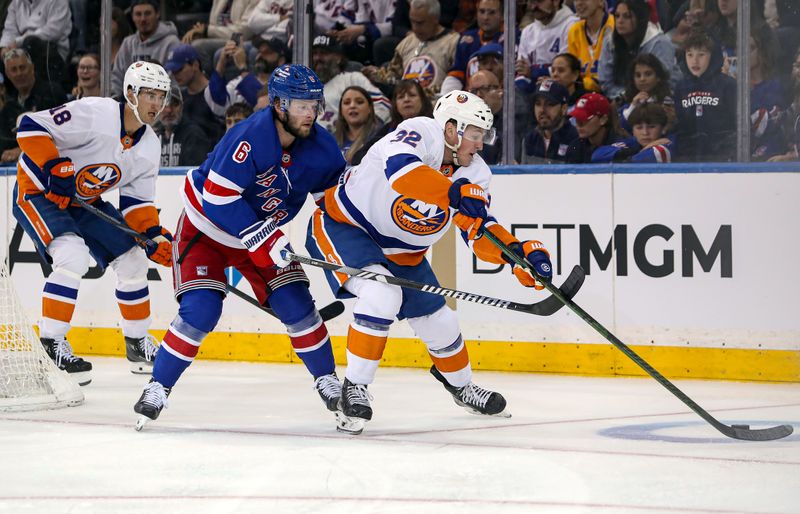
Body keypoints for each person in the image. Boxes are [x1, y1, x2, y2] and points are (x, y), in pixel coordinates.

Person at [305, 90, 554, 434]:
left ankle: (462, 388)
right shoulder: (422, 131)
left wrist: (516, 254)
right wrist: (453, 192)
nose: (480, 144)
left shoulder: (476, 173)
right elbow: (401, 172)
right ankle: (354, 390)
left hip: (404, 252)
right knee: (381, 296)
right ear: (451, 129)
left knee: (441, 321)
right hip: (348, 227)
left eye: (483, 136)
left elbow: (477, 229)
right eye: (475, 135)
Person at [132, 64, 347, 428]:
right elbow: (218, 198)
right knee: (201, 312)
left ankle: (327, 380)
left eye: (314, 105)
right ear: (278, 105)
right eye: (300, 105)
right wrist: (266, 236)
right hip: (207, 230)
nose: (310, 113)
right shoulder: (249, 137)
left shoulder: (323, 149)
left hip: (259, 234)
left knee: (297, 306)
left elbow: (336, 202)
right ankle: (158, 387)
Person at [11, 61, 174, 386]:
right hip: (38, 190)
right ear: (130, 93)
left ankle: (137, 344)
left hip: (83, 200)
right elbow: (28, 125)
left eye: (161, 96)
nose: (156, 104)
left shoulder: (150, 146)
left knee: (132, 260)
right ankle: (52, 344)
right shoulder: (95, 113)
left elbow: (137, 204)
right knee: (71, 254)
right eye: (149, 94)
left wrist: (152, 234)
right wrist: (53, 165)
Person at [362, 0, 459, 100]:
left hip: (435, 104)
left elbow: (454, 82)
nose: (415, 28)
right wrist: (376, 75)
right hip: (405, 102)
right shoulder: (407, 43)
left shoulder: (454, 43)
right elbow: (394, 76)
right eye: (412, 21)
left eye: (420, 23)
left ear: (435, 19)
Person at [598, 0, 680, 102]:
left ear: (640, 18)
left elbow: (665, 82)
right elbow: (606, 82)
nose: (620, 21)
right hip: (623, 99)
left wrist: (641, 100)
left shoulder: (659, 43)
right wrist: (626, 97)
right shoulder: (610, 41)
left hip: (660, 101)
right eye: (617, 16)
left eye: (627, 16)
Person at [674, 31, 736, 162]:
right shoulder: (681, 87)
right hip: (688, 158)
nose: (694, 61)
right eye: (689, 54)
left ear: (713, 56)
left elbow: (736, 124)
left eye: (701, 55)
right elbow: (681, 127)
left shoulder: (728, 85)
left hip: (721, 157)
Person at [312, 35, 391, 134]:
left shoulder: (353, 79)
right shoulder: (304, 89)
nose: (318, 58)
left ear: (338, 58)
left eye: (324, 53)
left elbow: (383, 105)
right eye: (314, 53)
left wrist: (364, 136)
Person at [0, 48, 67, 164]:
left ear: (32, 68)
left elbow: (62, 133)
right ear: (7, 74)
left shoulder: (52, 93)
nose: (19, 73)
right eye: (14, 70)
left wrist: (22, 150)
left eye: (22, 67)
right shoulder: (9, 106)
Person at [351, 79, 434, 166]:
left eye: (412, 95)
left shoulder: (434, 125)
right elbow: (359, 156)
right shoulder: (389, 128)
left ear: (423, 100)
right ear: (395, 104)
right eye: (401, 97)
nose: (406, 100)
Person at [110, 0, 180, 98]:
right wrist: (114, 100)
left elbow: (174, 82)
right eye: (138, 14)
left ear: (157, 14)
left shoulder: (171, 43)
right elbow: (117, 77)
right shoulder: (128, 43)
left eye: (147, 13)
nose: (143, 19)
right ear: (132, 17)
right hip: (131, 104)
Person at [0, 0, 72, 87]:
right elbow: (10, 30)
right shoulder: (15, 3)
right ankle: (10, 96)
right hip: (20, 47)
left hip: (52, 50)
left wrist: (18, 42)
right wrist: (4, 47)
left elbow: (53, 32)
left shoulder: (58, 1)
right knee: (5, 55)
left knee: (31, 42)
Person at [441, 0, 505, 95]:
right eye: (482, 11)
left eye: (492, 12)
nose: (485, 17)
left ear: (502, 15)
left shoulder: (511, 38)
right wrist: (446, 98)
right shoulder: (467, 39)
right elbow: (456, 74)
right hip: (469, 99)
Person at [514, 0, 579, 94]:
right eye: (532, 2)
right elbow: (522, 71)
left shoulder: (572, 25)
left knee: (545, 89)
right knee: (514, 90)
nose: (534, 7)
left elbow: (566, 68)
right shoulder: (528, 31)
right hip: (535, 86)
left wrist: (532, 72)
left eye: (540, 1)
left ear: (556, 1)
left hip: (560, 85)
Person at [164, 44, 226, 142]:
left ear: (195, 65)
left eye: (179, 69)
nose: (175, 75)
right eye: (173, 71)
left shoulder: (214, 94)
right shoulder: (179, 98)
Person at [592, 103, 675, 162]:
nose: (645, 133)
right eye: (639, 128)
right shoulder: (633, 143)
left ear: (663, 128)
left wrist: (628, 157)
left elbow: (649, 156)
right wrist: (635, 151)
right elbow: (597, 155)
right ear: (633, 131)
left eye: (652, 127)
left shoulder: (669, 142)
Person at [521, 79, 579, 163]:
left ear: (564, 108)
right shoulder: (529, 139)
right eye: (538, 104)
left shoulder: (575, 139)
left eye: (550, 104)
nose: (542, 110)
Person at [618, 53, 675, 133]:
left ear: (658, 77)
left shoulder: (669, 103)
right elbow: (621, 130)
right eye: (638, 75)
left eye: (648, 74)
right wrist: (632, 108)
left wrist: (671, 122)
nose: (642, 79)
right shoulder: (627, 103)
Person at [157, 86, 214, 166]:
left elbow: (194, 171)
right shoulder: (154, 137)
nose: (169, 110)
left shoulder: (194, 135)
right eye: (164, 105)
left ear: (182, 106)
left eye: (175, 104)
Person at [565, 92, 628, 163]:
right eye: (577, 118)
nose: (579, 124)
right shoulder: (575, 147)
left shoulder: (621, 144)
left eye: (585, 119)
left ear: (603, 119)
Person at [567, 0, 615, 93]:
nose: (579, 3)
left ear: (601, 2)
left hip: (611, 93)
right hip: (583, 92)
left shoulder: (615, 26)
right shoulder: (574, 30)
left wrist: (576, 82)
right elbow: (573, 71)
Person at [335, 86, 384, 165]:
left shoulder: (381, 138)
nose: (352, 106)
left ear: (370, 108)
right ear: (341, 111)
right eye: (347, 103)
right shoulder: (331, 140)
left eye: (359, 102)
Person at [467, 69, 504, 164]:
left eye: (484, 89)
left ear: (500, 90)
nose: (478, 95)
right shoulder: (465, 124)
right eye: (474, 91)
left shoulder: (512, 120)